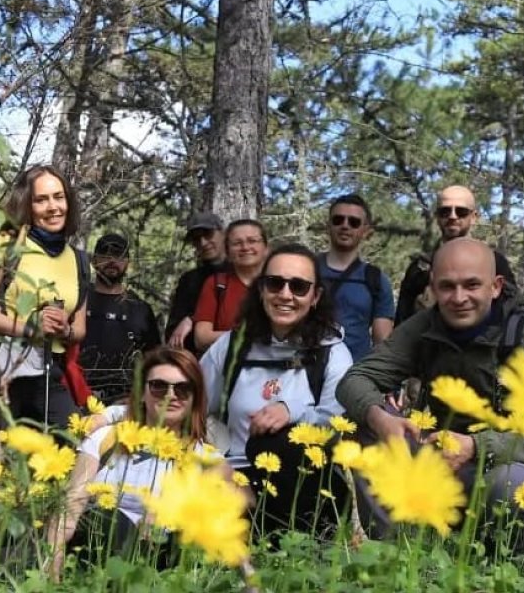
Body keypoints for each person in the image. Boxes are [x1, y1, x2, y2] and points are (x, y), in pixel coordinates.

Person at [336, 239, 524, 539]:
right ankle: (394, 554)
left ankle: (501, 565)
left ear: (495, 286)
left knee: (509, 485)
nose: (459, 297)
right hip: (442, 461)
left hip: (510, 464)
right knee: (366, 423)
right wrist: (382, 419)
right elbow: (354, 380)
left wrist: (478, 446)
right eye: (447, 286)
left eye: (471, 285)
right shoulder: (426, 326)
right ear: (433, 287)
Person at [199, 243, 352, 532]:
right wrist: (215, 464)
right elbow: (194, 407)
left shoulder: (333, 353)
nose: (285, 295)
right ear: (261, 290)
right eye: (274, 283)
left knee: (275, 442)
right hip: (233, 476)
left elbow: (337, 424)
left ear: (315, 296)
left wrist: (292, 411)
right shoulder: (232, 346)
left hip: (303, 483)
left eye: (298, 286)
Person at [47, 347, 223, 577]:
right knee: (111, 520)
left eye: (183, 388)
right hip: (99, 554)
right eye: (159, 386)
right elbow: (70, 506)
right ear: (141, 392)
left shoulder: (206, 459)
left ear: (194, 397)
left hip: (163, 564)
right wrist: (51, 569)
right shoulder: (106, 438)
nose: (171, 395)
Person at [0, 165, 90, 431]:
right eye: (41, 200)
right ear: (27, 204)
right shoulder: (7, 244)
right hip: (2, 369)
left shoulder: (79, 260)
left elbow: (79, 329)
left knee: (74, 441)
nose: (53, 207)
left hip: (50, 370)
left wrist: (64, 329)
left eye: (59, 197)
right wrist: (30, 329)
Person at [395, 185, 518, 324]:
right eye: (445, 211)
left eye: (461, 211)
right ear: (437, 216)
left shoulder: (495, 262)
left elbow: (513, 310)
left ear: (474, 217)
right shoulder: (419, 268)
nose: (453, 216)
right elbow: (401, 321)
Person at [79, 233, 162, 404]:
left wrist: (138, 396)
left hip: (124, 400)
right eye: (105, 254)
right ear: (94, 261)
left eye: (118, 256)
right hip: (76, 393)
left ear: (127, 263)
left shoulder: (140, 309)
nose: (112, 260)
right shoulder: (78, 299)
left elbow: (153, 360)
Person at [318, 194, 395, 360]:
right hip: (304, 372)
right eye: (338, 220)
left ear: (365, 231)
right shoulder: (306, 270)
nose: (345, 226)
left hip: (353, 375)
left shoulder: (376, 280)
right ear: (328, 226)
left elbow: (382, 342)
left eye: (354, 222)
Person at [191, 219, 267, 352]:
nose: (245, 247)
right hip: (227, 367)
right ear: (228, 251)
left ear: (266, 248)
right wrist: (248, 336)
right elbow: (201, 338)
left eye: (252, 241)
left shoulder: (281, 283)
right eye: (237, 243)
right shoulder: (216, 284)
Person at [165, 212, 227, 351]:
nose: (203, 243)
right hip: (199, 361)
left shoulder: (242, 273)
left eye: (207, 234)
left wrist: (193, 319)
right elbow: (173, 333)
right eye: (196, 239)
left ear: (223, 233)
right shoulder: (189, 281)